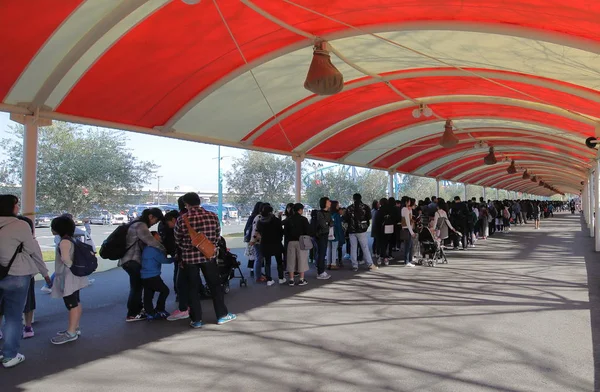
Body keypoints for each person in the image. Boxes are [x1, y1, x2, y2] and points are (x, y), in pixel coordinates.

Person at [0, 196, 51, 367]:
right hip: (17, 276)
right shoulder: (20, 225)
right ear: (11, 207)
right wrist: (45, 274)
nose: (18, 207)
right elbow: (33, 251)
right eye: (16, 204)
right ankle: (9, 356)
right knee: (13, 317)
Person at [174, 192, 236, 328]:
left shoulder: (182, 219)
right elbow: (217, 235)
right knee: (215, 286)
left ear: (186, 204)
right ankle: (222, 315)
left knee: (193, 288)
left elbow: (177, 239)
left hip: (189, 259)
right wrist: (209, 246)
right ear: (199, 202)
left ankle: (196, 320)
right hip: (209, 256)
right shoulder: (212, 216)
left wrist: (187, 248)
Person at [119, 208, 165, 322]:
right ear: (150, 216)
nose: (155, 223)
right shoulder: (140, 225)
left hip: (128, 260)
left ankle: (138, 310)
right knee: (137, 288)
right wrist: (164, 249)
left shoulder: (135, 222)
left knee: (137, 286)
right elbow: (152, 242)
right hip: (132, 260)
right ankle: (133, 314)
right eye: (156, 220)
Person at [49, 215, 89, 345]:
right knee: (76, 302)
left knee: (71, 304)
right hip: (74, 276)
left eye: (53, 227)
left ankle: (71, 333)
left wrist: (71, 267)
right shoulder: (70, 239)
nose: (51, 229)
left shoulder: (64, 242)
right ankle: (75, 328)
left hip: (68, 277)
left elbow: (65, 259)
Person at [141, 231, 173, 320]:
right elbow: (164, 260)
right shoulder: (153, 249)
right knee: (165, 290)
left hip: (144, 276)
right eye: (157, 235)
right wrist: (175, 259)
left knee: (148, 295)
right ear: (153, 237)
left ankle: (150, 313)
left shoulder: (146, 249)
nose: (159, 236)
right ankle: (160, 309)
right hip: (153, 276)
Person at [344, 193, 378, 272]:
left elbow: (345, 219)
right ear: (360, 198)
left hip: (351, 231)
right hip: (361, 230)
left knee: (353, 248)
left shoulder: (349, 208)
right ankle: (370, 264)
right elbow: (369, 217)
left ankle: (354, 266)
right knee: (365, 248)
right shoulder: (365, 207)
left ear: (353, 199)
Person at [256, 204, 285, 286]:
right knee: (279, 261)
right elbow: (281, 231)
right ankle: (281, 278)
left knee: (267, 263)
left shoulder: (260, 221)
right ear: (271, 212)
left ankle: (269, 279)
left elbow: (259, 232)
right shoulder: (276, 220)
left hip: (265, 244)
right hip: (276, 243)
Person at [284, 203, 311, 286]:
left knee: (291, 260)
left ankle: (291, 280)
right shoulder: (303, 219)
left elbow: (285, 232)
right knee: (301, 259)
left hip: (290, 242)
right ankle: (301, 279)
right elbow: (308, 231)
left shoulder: (288, 219)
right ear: (300, 210)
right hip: (301, 242)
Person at [312, 197, 332, 280]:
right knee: (321, 253)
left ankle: (320, 270)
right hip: (320, 235)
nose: (330, 202)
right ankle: (320, 272)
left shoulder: (328, 212)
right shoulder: (320, 213)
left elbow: (330, 223)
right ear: (324, 203)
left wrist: (328, 223)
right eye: (328, 201)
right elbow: (324, 225)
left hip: (325, 235)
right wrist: (328, 224)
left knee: (322, 253)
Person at [243, 202, 262, 277]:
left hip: (251, 238)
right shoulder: (258, 217)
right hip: (255, 238)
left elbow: (246, 228)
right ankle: (257, 270)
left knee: (252, 254)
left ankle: (252, 269)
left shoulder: (252, 217)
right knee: (258, 255)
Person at [327, 201, 344, 270]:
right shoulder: (336, 215)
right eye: (337, 205)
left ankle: (328, 263)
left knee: (329, 249)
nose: (338, 206)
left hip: (328, 234)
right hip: (335, 234)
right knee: (334, 249)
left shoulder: (328, 214)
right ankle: (333, 264)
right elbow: (338, 226)